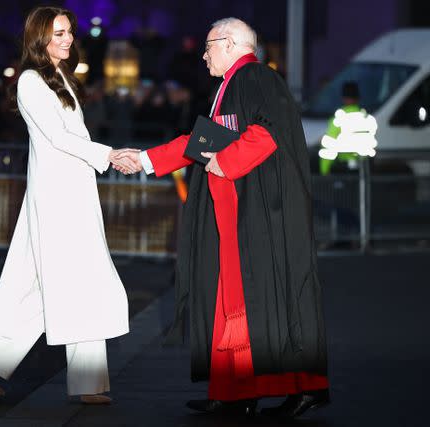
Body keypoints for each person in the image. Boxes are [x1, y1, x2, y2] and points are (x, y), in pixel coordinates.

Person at [116, 18, 330, 418]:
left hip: (264, 214)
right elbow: (203, 141)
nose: (203, 54)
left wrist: (224, 163)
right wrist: (145, 159)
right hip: (240, 212)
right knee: (235, 301)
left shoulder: (255, 80)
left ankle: (302, 388)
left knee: (268, 298)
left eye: (209, 46)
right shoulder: (235, 85)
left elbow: (267, 134)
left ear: (230, 43)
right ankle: (234, 391)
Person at [0, 6, 139, 404]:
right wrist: (109, 155)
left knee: (51, 288)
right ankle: (89, 385)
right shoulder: (29, 80)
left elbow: (68, 137)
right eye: (58, 33)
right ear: (38, 37)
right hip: (57, 198)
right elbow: (59, 138)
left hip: (72, 193)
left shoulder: (59, 76)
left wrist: (104, 157)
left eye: (68, 32)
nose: (67, 39)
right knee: (81, 285)